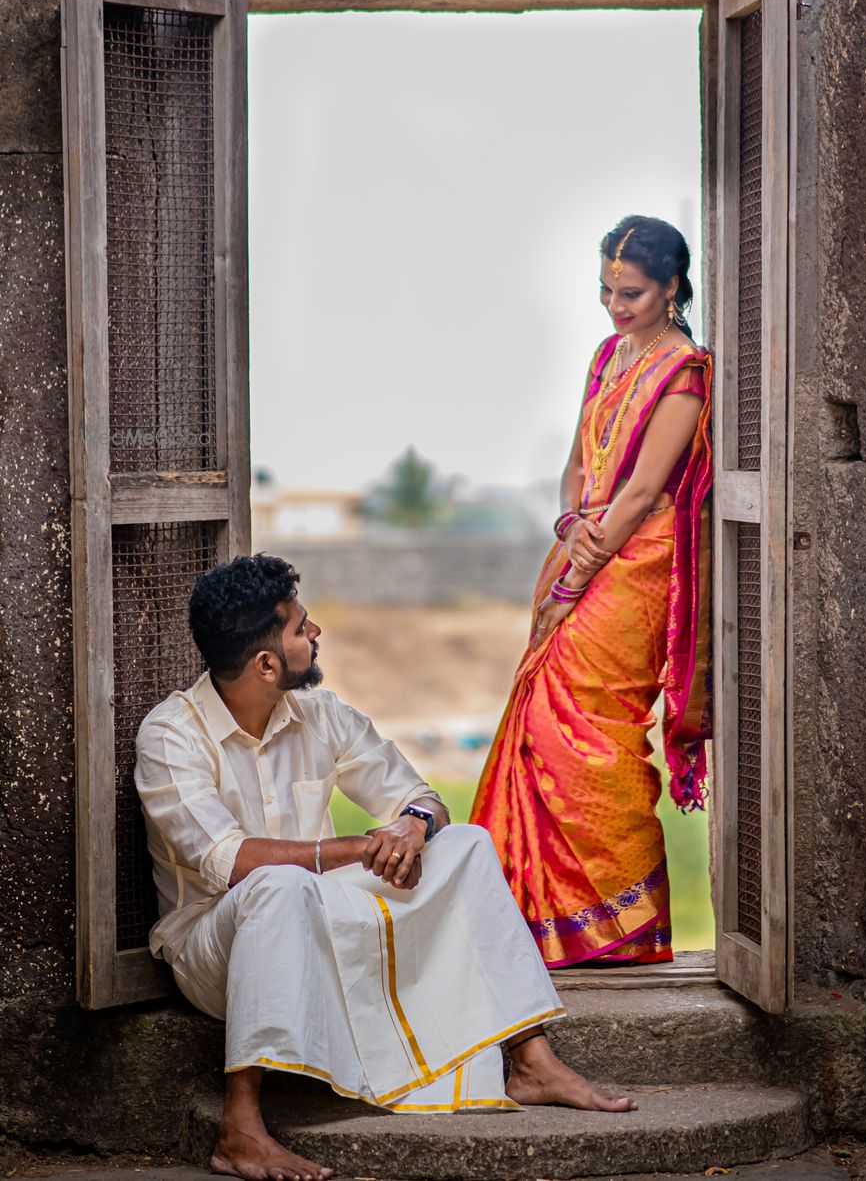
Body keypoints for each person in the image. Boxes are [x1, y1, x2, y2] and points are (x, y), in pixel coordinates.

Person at [135, 555, 636, 1181]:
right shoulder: (169, 736)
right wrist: (355, 849)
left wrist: (412, 826)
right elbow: (231, 860)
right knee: (274, 884)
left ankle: (531, 1059)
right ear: (266, 664)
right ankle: (241, 1128)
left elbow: (423, 796)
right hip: (215, 950)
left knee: (468, 844)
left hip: (317, 913)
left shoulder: (323, 714)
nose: (315, 634)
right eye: (301, 627)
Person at [471, 215, 713, 968]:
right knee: (539, 720)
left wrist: (578, 574)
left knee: (591, 731)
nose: (616, 307)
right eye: (606, 291)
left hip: (638, 563)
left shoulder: (683, 374)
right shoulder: (609, 354)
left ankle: (621, 928)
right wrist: (571, 521)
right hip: (585, 542)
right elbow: (581, 463)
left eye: (632, 293)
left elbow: (642, 493)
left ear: (672, 286)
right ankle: (546, 924)